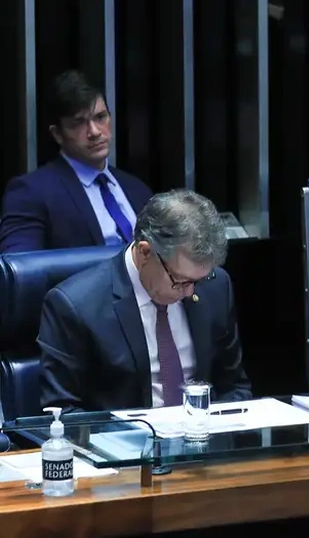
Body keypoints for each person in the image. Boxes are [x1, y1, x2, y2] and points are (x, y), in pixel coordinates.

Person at [38, 189, 251, 413]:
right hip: (123, 442)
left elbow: (234, 387)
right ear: (145, 252)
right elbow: (64, 412)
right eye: (179, 281)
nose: (189, 293)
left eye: (198, 280)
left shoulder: (215, 287)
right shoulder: (75, 306)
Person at [0, 70, 152, 253]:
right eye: (78, 123)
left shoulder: (136, 189)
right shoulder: (30, 193)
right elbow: (21, 270)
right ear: (57, 134)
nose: (95, 132)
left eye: (100, 117)